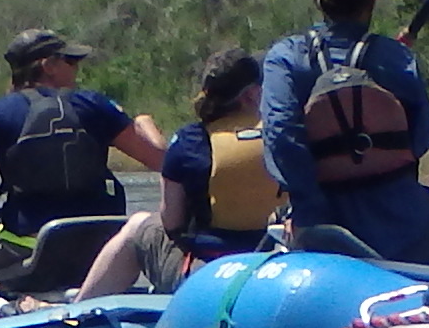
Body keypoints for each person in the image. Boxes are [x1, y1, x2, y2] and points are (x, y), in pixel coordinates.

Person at [259, 0, 429, 267]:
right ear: (371, 1)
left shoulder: (286, 58)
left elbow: (281, 136)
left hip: (323, 228)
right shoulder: (397, 58)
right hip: (409, 223)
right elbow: (422, 136)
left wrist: (309, 211)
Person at [0, 31, 171, 295]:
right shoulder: (95, 105)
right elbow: (162, 160)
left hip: (28, 257)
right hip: (99, 253)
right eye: (70, 61)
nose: (76, 68)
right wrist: (146, 123)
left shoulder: (0, 111)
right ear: (48, 66)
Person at [79, 49, 280, 296]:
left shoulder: (190, 140)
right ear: (252, 94)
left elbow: (171, 221)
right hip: (275, 266)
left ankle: (79, 308)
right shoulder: (285, 137)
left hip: (207, 272)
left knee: (138, 225)